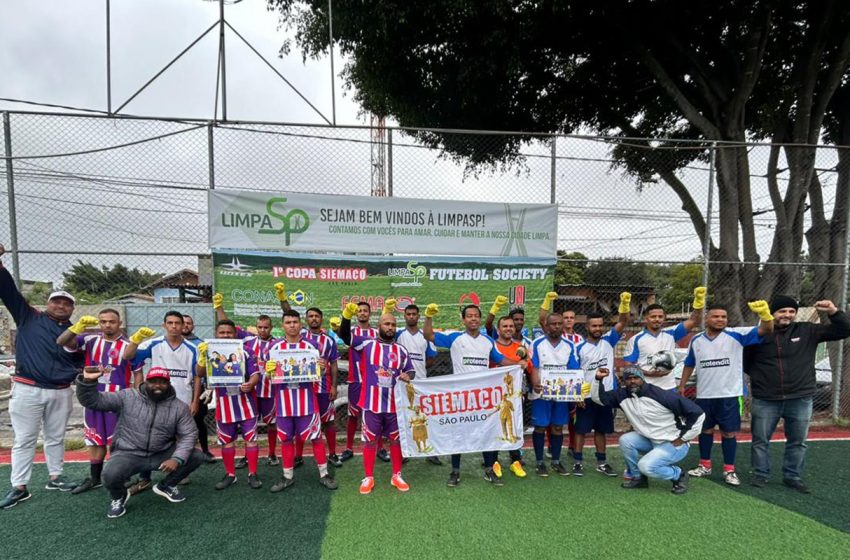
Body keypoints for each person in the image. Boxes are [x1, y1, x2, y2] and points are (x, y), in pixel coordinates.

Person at [0, 243, 82, 509]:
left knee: (55, 436)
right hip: (28, 388)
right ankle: (19, 486)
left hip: (60, 390)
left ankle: (56, 476)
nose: (61, 305)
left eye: (66, 303)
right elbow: (8, 291)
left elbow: (80, 361)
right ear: (47, 304)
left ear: (72, 309)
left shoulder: (76, 333)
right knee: (24, 439)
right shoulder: (28, 317)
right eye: (56, 301)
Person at [744, 296, 850, 493]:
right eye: (782, 311)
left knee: (798, 441)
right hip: (766, 398)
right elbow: (746, 362)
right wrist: (763, 378)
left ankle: (792, 476)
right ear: (772, 313)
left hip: (800, 397)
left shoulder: (806, 330)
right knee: (760, 440)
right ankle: (761, 473)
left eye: (791, 311)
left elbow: (843, 330)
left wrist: (834, 312)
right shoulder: (758, 333)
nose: (787, 315)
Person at [76, 365, 205, 518]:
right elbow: (93, 401)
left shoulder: (179, 407)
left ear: (169, 384)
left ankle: (166, 485)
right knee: (110, 475)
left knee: (196, 456)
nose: (157, 385)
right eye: (153, 381)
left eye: (162, 382)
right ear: (145, 382)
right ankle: (119, 497)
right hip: (128, 453)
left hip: (160, 453)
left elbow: (189, 434)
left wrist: (177, 458)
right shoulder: (127, 397)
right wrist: (88, 382)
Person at [422, 302, 525, 487]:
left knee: (487, 433)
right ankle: (455, 471)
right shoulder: (454, 338)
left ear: (479, 318)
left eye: (476, 315)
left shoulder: (488, 342)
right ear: (463, 319)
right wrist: (428, 316)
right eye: (469, 316)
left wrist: (519, 364)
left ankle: (489, 470)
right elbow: (428, 335)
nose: (473, 319)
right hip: (461, 398)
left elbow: (501, 360)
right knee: (458, 434)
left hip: (483, 399)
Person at [55, 309, 155, 494]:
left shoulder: (129, 345)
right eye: (103, 321)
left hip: (117, 400)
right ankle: (95, 478)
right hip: (92, 397)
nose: (107, 325)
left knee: (119, 441)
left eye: (112, 321)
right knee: (95, 440)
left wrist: (137, 398)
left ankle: (122, 475)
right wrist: (77, 327)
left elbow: (138, 372)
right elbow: (61, 342)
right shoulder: (89, 340)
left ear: (120, 323)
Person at [680, 301, 774, 486]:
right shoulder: (696, 340)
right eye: (716, 316)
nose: (720, 320)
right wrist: (682, 385)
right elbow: (689, 363)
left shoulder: (737, 334)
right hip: (705, 395)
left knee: (728, 433)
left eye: (723, 317)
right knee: (705, 430)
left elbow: (766, 329)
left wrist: (765, 314)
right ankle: (704, 465)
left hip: (730, 395)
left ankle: (729, 470)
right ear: (707, 319)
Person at [592, 366, 705, 494]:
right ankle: (638, 478)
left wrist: (684, 438)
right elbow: (599, 399)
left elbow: (698, 413)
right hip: (650, 440)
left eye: (636, 378)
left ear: (642, 379)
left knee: (646, 466)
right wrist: (597, 380)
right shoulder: (621, 395)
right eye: (628, 379)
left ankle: (678, 475)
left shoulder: (660, 394)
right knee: (625, 440)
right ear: (624, 381)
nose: (632, 381)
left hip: (673, 443)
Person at [124, 311, 199, 494]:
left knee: (182, 437)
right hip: (155, 398)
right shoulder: (153, 343)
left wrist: (195, 401)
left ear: (183, 326)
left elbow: (198, 377)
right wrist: (135, 340)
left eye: (177, 323)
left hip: (182, 399)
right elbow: (128, 356)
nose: (174, 326)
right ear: (164, 325)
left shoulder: (193, 348)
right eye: (170, 323)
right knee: (147, 438)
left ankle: (179, 473)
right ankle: (144, 478)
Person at [264, 310, 338, 492]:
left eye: (295, 322)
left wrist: (321, 368)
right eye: (288, 322)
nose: (292, 325)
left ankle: (324, 474)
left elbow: (317, 375)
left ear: (300, 324)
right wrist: (268, 370)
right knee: (286, 440)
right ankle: (287, 476)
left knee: (316, 438)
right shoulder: (274, 348)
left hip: (307, 403)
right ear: (283, 326)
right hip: (283, 405)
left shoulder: (311, 346)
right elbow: (267, 377)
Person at [215, 287, 283, 467]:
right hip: (248, 393)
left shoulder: (277, 345)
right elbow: (226, 327)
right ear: (256, 327)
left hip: (268, 392)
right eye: (259, 327)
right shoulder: (247, 340)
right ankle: (247, 456)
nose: (262, 330)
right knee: (247, 427)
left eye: (266, 327)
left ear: (271, 328)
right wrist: (219, 307)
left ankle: (271, 453)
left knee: (271, 424)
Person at [350, 313, 416, 494]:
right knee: (370, 441)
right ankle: (368, 477)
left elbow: (411, 370)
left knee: (395, 441)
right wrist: (347, 317)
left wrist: (407, 375)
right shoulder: (368, 344)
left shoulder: (401, 350)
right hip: (372, 404)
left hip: (394, 405)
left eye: (393, 325)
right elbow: (346, 337)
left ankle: (397, 475)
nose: (390, 327)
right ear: (379, 326)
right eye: (387, 324)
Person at [193, 320, 262, 490]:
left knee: (251, 441)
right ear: (216, 334)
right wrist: (202, 358)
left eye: (229, 332)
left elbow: (256, 375)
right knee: (226, 442)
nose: (225, 335)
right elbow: (199, 373)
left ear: (235, 334)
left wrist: (250, 384)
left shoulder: (246, 351)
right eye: (222, 333)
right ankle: (230, 474)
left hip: (246, 405)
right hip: (224, 407)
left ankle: (252, 473)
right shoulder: (209, 351)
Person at [573, 292, 631, 477]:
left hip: (605, 395)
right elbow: (575, 374)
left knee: (601, 430)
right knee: (581, 430)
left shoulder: (609, 340)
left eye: (600, 325)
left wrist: (624, 304)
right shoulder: (579, 348)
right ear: (587, 327)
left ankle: (601, 462)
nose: (597, 328)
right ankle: (577, 462)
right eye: (594, 326)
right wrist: (578, 395)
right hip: (587, 396)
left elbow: (623, 321)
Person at [528, 313, 581, 478]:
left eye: (559, 323)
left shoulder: (569, 345)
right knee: (541, 426)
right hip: (542, 392)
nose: (556, 326)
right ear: (547, 325)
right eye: (553, 324)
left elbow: (574, 369)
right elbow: (533, 366)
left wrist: (577, 393)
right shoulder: (537, 343)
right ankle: (539, 462)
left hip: (561, 392)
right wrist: (535, 383)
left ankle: (556, 461)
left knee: (558, 426)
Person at [623, 287, 706, 391]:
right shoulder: (636, 339)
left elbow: (694, 320)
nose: (657, 319)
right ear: (646, 318)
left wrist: (698, 301)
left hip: (669, 387)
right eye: (653, 317)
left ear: (664, 318)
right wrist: (648, 373)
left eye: (660, 316)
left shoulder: (672, 333)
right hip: (646, 387)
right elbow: (628, 366)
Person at [394, 304, 440, 465]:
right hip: (401, 385)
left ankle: (429, 451)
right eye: (408, 314)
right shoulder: (398, 334)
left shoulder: (425, 336)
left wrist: (417, 369)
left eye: (414, 314)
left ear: (418, 316)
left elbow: (432, 357)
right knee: (403, 417)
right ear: (404, 316)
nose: (411, 316)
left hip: (421, 383)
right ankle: (404, 451)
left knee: (424, 417)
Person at [298, 306, 342, 467]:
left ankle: (332, 454)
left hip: (323, 388)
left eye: (317, 316)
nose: (314, 318)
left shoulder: (329, 340)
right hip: (304, 389)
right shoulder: (300, 336)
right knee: (300, 421)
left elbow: (334, 364)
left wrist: (334, 387)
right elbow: (288, 313)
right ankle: (298, 456)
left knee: (329, 421)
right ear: (306, 319)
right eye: (311, 316)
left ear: (321, 319)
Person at [339, 301, 379, 462]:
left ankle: (381, 448)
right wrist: (345, 316)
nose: (362, 313)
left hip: (374, 380)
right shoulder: (351, 331)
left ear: (370, 314)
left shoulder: (377, 332)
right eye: (360, 311)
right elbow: (344, 335)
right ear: (356, 314)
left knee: (377, 413)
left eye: (365, 311)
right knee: (353, 414)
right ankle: (348, 447)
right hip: (356, 379)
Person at [490, 316, 528, 478]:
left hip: (514, 395)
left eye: (511, 326)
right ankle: (494, 462)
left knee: (514, 426)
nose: (508, 328)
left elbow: (526, 367)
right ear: (498, 329)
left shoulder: (521, 347)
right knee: (495, 427)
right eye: (504, 326)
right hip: (495, 394)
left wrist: (525, 364)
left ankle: (515, 461)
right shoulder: (491, 346)